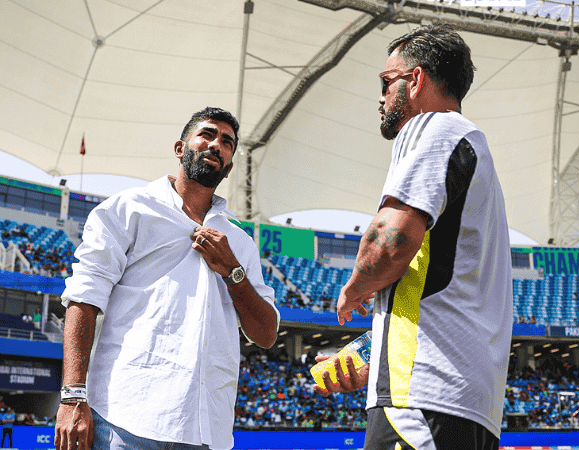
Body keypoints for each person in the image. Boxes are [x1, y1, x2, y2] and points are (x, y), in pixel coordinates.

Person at [313, 24, 512, 450]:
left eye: (387, 82)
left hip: (422, 397)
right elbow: (442, 290)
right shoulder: (476, 153)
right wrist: (372, 357)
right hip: (468, 403)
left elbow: (391, 240)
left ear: (416, 80)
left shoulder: (433, 127)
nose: (381, 96)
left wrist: (354, 289)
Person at [54, 107, 279, 450]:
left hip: (206, 430)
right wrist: (72, 397)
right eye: (206, 134)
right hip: (125, 418)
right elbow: (84, 298)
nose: (216, 144)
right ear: (180, 148)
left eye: (226, 142)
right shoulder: (127, 209)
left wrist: (233, 271)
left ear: (229, 166)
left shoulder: (241, 244)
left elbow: (265, 334)